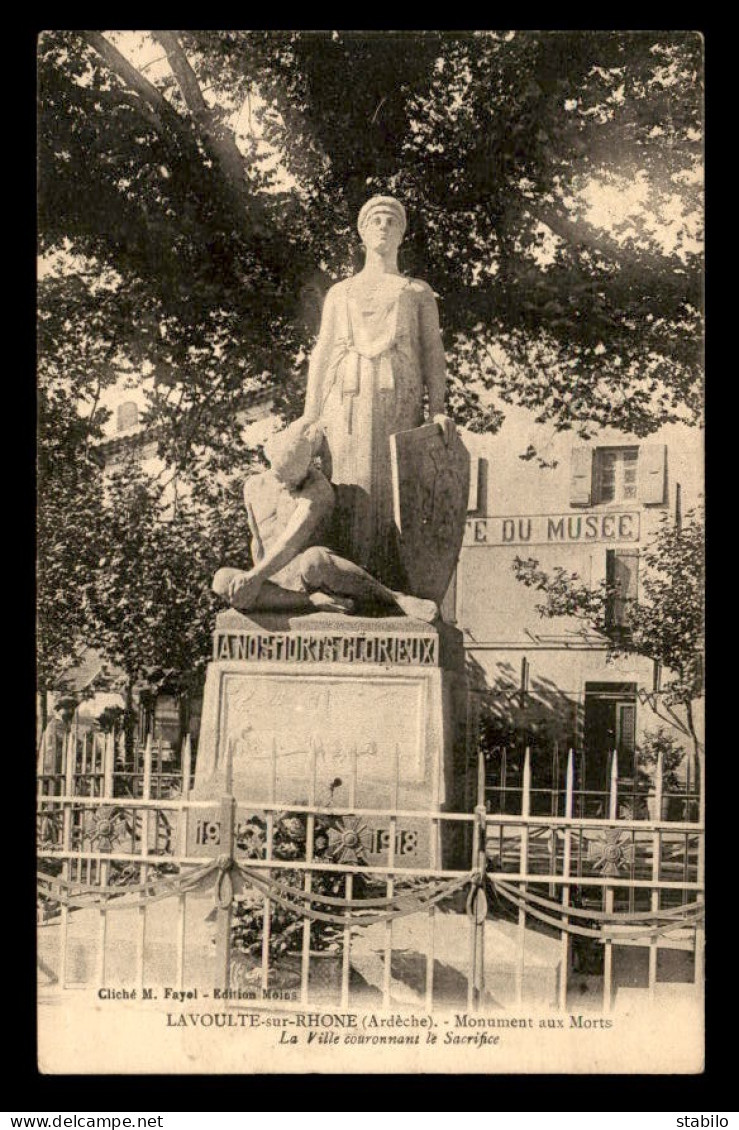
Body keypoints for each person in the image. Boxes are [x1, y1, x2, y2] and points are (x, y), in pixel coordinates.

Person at [304, 195, 456, 590]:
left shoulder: (416, 291)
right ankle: (342, 583)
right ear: (362, 232)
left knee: (392, 486)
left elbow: (432, 350)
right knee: (346, 481)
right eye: (376, 221)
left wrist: (438, 407)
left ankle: (387, 586)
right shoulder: (342, 292)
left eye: (392, 221)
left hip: (398, 395)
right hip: (346, 398)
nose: (384, 227)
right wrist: (310, 413)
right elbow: (322, 352)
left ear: (402, 234)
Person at [212, 417, 439, 622]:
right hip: (275, 583)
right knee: (222, 580)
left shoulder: (318, 491)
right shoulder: (253, 487)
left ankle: (396, 598)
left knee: (314, 560)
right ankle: (311, 603)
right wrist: (254, 581)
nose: (286, 485)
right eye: (281, 477)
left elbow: (291, 542)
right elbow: (258, 539)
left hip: (310, 576)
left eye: (294, 479)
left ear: (308, 465)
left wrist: (254, 577)